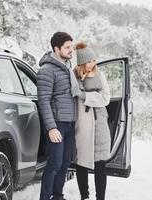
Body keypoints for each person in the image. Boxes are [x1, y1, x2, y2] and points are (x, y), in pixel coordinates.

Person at [37, 32, 79, 200]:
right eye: (67, 47)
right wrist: (51, 128)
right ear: (56, 49)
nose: (71, 51)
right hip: (57, 124)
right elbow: (44, 101)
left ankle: (58, 197)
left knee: (64, 165)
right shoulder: (47, 71)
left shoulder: (67, 69)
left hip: (70, 123)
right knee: (54, 164)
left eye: (71, 47)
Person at [74, 41, 111, 200]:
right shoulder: (74, 76)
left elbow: (106, 98)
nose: (92, 64)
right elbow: (73, 94)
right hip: (82, 123)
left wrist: (86, 96)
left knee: (100, 165)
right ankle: (85, 196)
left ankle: (100, 197)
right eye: (89, 61)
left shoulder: (100, 75)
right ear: (82, 62)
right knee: (81, 163)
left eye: (93, 60)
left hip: (99, 122)